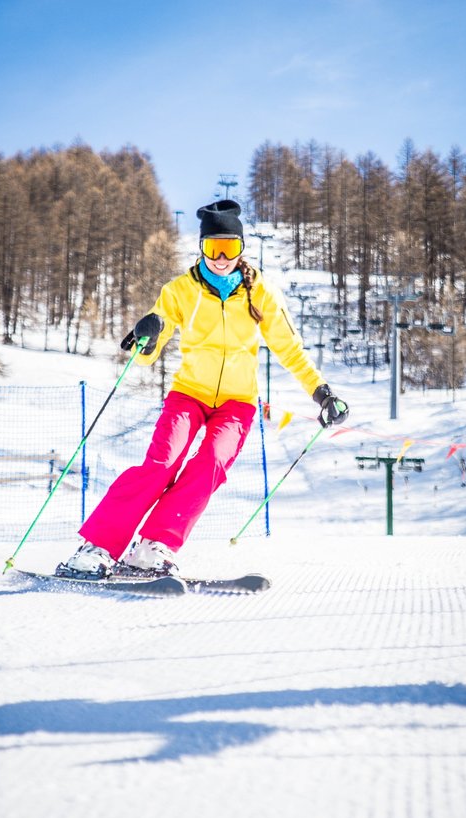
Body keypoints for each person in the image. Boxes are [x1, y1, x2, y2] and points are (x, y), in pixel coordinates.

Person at [57, 199, 348, 580]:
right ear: (202, 248)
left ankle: (154, 546)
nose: (221, 258)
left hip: (238, 403)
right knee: (161, 464)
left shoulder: (261, 292)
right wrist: (147, 339)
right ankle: (97, 547)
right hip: (188, 395)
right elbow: (149, 353)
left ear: (241, 249)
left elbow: (289, 349)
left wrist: (321, 392)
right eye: (213, 249)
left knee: (210, 464)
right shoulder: (181, 291)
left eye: (229, 249)